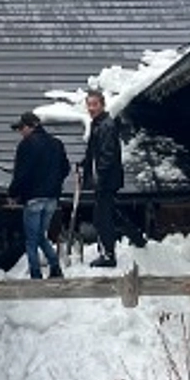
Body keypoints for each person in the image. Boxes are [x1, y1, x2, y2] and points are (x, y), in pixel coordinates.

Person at [8, 111, 69, 279]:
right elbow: (66, 169)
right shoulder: (56, 144)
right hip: (52, 198)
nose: (20, 132)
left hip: (33, 198)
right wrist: (55, 185)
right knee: (41, 236)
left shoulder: (26, 145)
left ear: (31, 126)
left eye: (21, 128)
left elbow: (21, 174)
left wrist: (13, 193)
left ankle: (35, 274)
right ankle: (55, 267)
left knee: (31, 239)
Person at [80, 89, 123, 267]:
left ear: (102, 105)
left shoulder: (106, 125)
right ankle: (106, 251)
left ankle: (108, 254)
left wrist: (100, 177)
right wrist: (84, 164)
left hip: (106, 180)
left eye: (94, 104)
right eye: (89, 104)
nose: (91, 108)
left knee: (103, 217)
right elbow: (92, 152)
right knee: (103, 215)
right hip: (104, 178)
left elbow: (107, 155)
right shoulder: (98, 124)